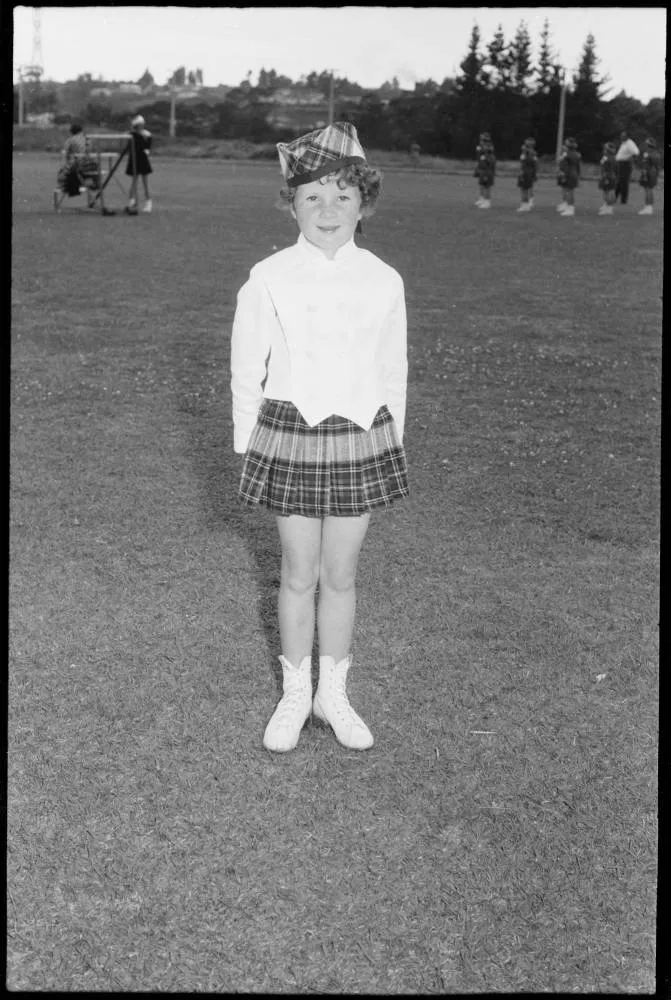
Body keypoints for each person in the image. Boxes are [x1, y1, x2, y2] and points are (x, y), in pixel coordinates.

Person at [230, 121, 408, 753]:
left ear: (364, 202)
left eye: (342, 196)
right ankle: (295, 693)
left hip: (361, 436)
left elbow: (393, 370)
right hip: (292, 434)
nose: (327, 210)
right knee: (298, 571)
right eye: (312, 197)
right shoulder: (269, 275)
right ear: (292, 205)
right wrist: (248, 444)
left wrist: (394, 440)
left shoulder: (384, 279)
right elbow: (246, 367)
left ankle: (334, 695)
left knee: (342, 573)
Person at [56, 123, 98, 198]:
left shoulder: (70, 140)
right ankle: (92, 184)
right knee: (83, 173)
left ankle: (65, 188)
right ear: (81, 131)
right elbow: (89, 151)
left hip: (79, 165)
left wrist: (65, 165)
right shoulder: (87, 139)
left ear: (71, 132)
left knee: (63, 173)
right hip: (91, 164)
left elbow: (65, 153)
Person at [125, 114, 153, 214]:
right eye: (140, 124)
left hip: (142, 160)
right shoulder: (132, 135)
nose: (142, 126)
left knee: (145, 183)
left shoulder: (145, 134)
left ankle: (148, 203)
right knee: (134, 182)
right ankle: (132, 202)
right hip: (135, 160)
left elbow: (147, 147)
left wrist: (148, 140)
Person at [556, 137, 581, 216]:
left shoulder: (568, 153)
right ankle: (567, 206)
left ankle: (570, 209)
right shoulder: (574, 153)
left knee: (569, 191)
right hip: (571, 173)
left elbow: (564, 164)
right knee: (567, 190)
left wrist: (562, 173)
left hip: (568, 174)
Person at [614, 130, 640, 205]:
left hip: (625, 164)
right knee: (619, 182)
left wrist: (629, 159)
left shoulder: (629, 143)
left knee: (624, 183)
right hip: (620, 164)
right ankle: (615, 198)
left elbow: (636, 152)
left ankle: (623, 200)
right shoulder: (624, 143)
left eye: (623, 135)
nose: (621, 136)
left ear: (627, 136)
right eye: (621, 135)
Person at [637, 138, 660, 215]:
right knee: (649, 189)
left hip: (648, 172)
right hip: (653, 172)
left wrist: (644, 173)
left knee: (648, 189)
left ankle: (648, 208)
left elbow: (645, 164)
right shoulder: (656, 153)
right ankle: (648, 207)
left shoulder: (648, 153)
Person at [473, 132, 496, 209]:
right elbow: (480, 158)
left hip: (487, 170)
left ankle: (487, 201)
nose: (481, 142)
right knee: (482, 184)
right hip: (483, 169)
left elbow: (490, 163)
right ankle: (482, 199)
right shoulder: (483, 152)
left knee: (487, 185)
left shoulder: (489, 154)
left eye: (483, 140)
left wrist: (488, 171)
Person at [516, 137, 538, 212]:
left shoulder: (528, 152)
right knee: (526, 189)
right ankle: (526, 204)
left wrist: (522, 171)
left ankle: (525, 205)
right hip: (529, 172)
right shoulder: (532, 153)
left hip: (526, 172)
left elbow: (526, 163)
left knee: (524, 189)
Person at [597, 142, 618, 215]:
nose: (604, 149)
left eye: (606, 147)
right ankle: (606, 205)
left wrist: (605, 176)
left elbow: (610, 168)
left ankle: (609, 208)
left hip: (609, 176)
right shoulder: (606, 156)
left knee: (610, 191)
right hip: (606, 175)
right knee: (606, 191)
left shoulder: (611, 157)